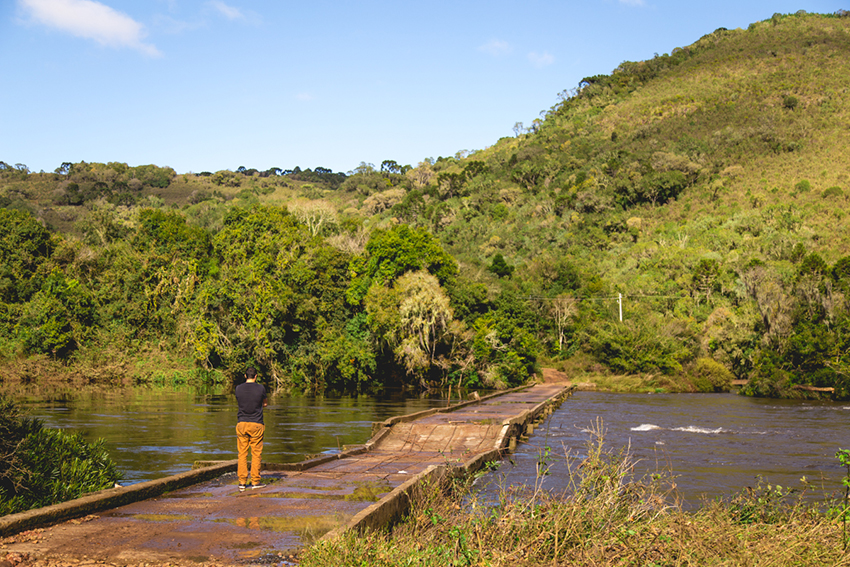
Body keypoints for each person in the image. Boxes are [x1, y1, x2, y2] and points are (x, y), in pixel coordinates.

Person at [235, 366, 268, 491]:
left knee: (242, 454)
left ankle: (242, 482)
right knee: (256, 453)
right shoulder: (261, 388)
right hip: (256, 424)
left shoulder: (238, 388)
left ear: (245, 376)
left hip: (242, 423)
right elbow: (265, 404)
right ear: (256, 376)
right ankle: (255, 482)